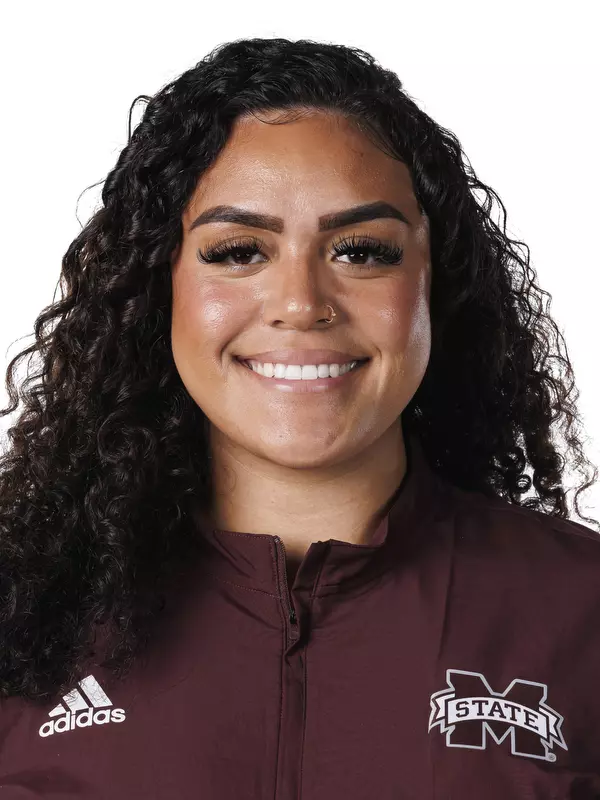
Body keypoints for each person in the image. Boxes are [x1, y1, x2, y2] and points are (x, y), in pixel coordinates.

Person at [0, 36, 599, 799]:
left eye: (360, 250)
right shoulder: (23, 608)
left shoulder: (583, 610)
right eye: (239, 251)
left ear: (436, 287)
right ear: (159, 289)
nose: (301, 304)